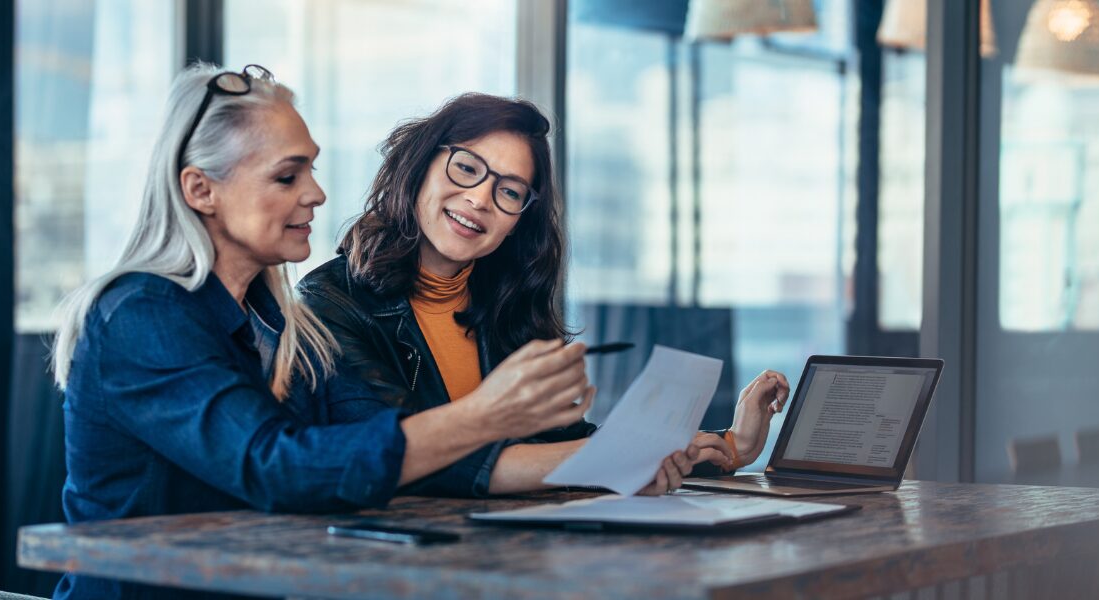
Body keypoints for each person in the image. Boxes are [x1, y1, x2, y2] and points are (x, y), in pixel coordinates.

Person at [51, 65, 679, 600]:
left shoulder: (274, 321)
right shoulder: (141, 314)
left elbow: (365, 457)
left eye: (312, 171)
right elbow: (278, 469)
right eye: (286, 176)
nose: (317, 194)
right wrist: (486, 416)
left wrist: (623, 458)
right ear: (201, 190)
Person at [298, 93, 791, 495]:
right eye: (466, 168)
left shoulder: (504, 306)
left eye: (509, 191)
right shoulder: (328, 305)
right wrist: (620, 459)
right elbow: (408, 458)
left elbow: (560, 444)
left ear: (518, 222)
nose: (480, 199)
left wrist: (730, 445)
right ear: (419, 166)